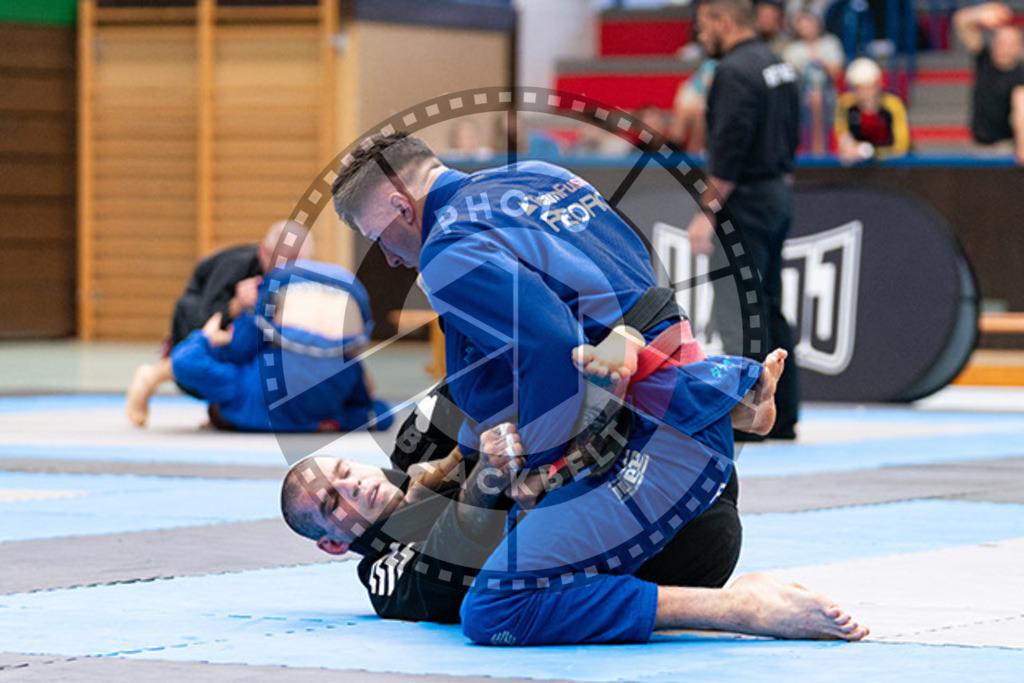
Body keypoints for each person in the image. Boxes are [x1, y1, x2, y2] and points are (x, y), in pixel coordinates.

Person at [322, 127, 866, 644]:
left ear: (401, 206)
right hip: (689, 436)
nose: (389, 256)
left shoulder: (447, 248)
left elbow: (552, 354)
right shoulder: (539, 174)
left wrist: (541, 470)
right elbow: (634, 274)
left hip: (652, 458)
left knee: (494, 608)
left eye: (379, 238)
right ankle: (723, 394)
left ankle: (739, 608)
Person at [686, 0, 801, 441]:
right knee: (768, 304)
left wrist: (707, 214)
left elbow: (729, 151)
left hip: (745, 200)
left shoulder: (733, 72)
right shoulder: (778, 64)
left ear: (723, 19)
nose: (700, 36)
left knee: (740, 310)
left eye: (703, 26)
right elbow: (792, 134)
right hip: (777, 193)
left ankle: (749, 421)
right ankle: (783, 417)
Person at [164, 260, 391, 433]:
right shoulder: (237, 390)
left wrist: (334, 423)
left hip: (348, 309)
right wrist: (206, 336)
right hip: (295, 287)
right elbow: (184, 361)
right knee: (246, 335)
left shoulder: (322, 412)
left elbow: (380, 415)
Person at [126, 220, 313, 426]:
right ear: (262, 251)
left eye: (296, 266)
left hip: (231, 332)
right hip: (196, 320)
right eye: (281, 264)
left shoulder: (297, 279)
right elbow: (206, 319)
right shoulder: (235, 266)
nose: (286, 273)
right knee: (224, 347)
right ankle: (151, 376)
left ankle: (222, 409)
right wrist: (235, 304)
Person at [953, 2, 1024, 164]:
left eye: (1008, 43)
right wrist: (980, 14)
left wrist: (1022, 145)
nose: (1002, 46)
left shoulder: (1020, 74)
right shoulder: (984, 59)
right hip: (978, 145)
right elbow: (961, 22)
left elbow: (1021, 110)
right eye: (1000, 40)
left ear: (1018, 47)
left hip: (1004, 147)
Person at [783, 5, 845, 154]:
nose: (807, 28)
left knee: (817, 94)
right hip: (800, 92)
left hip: (828, 91)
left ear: (818, 23)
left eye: (809, 23)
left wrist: (819, 62)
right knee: (810, 89)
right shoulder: (792, 49)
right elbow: (788, 76)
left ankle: (819, 148)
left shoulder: (830, 43)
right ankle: (813, 148)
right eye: (802, 25)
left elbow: (837, 71)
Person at [836, 57, 910, 163]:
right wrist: (847, 146)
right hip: (856, 167)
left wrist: (867, 151)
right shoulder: (845, 105)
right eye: (858, 88)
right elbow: (841, 136)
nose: (864, 93)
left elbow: (901, 148)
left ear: (878, 85)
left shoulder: (893, 106)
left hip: (893, 166)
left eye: (869, 87)